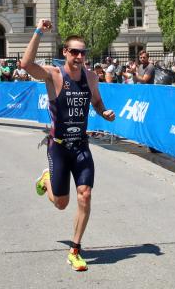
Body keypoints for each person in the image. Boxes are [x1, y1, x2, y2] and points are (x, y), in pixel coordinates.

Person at [20, 20, 116, 273]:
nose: (79, 56)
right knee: (61, 203)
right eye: (74, 51)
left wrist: (104, 112)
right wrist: (39, 31)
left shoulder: (92, 77)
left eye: (83, 52)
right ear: (65, 52)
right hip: (59, 146)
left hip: (81, 145)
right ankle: (46, 180)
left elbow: (96, 101)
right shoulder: (53, 75)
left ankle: (75, 250)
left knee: (85, 194)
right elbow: (26, 65)